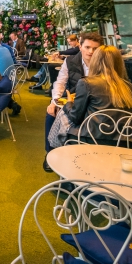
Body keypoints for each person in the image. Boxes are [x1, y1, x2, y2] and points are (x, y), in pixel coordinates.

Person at [46, 46, 132, 150]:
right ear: (120, 63)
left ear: (95, 61)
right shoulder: (130, 88)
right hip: (126, 143)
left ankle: (52, 151)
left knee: (62, 115)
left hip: (90, 140)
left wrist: (69, 103)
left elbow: (75, 118)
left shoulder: (86, 83)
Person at [43, 32, 104, 172]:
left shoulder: (103, 63)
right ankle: (50, 152)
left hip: (95, 102)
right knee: (51, 113)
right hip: (72, 99)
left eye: (95, 48)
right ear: (80, 46)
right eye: (87, 47)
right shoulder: (70, 61)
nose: (91, 51)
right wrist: (53, 102)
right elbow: (60, 83)